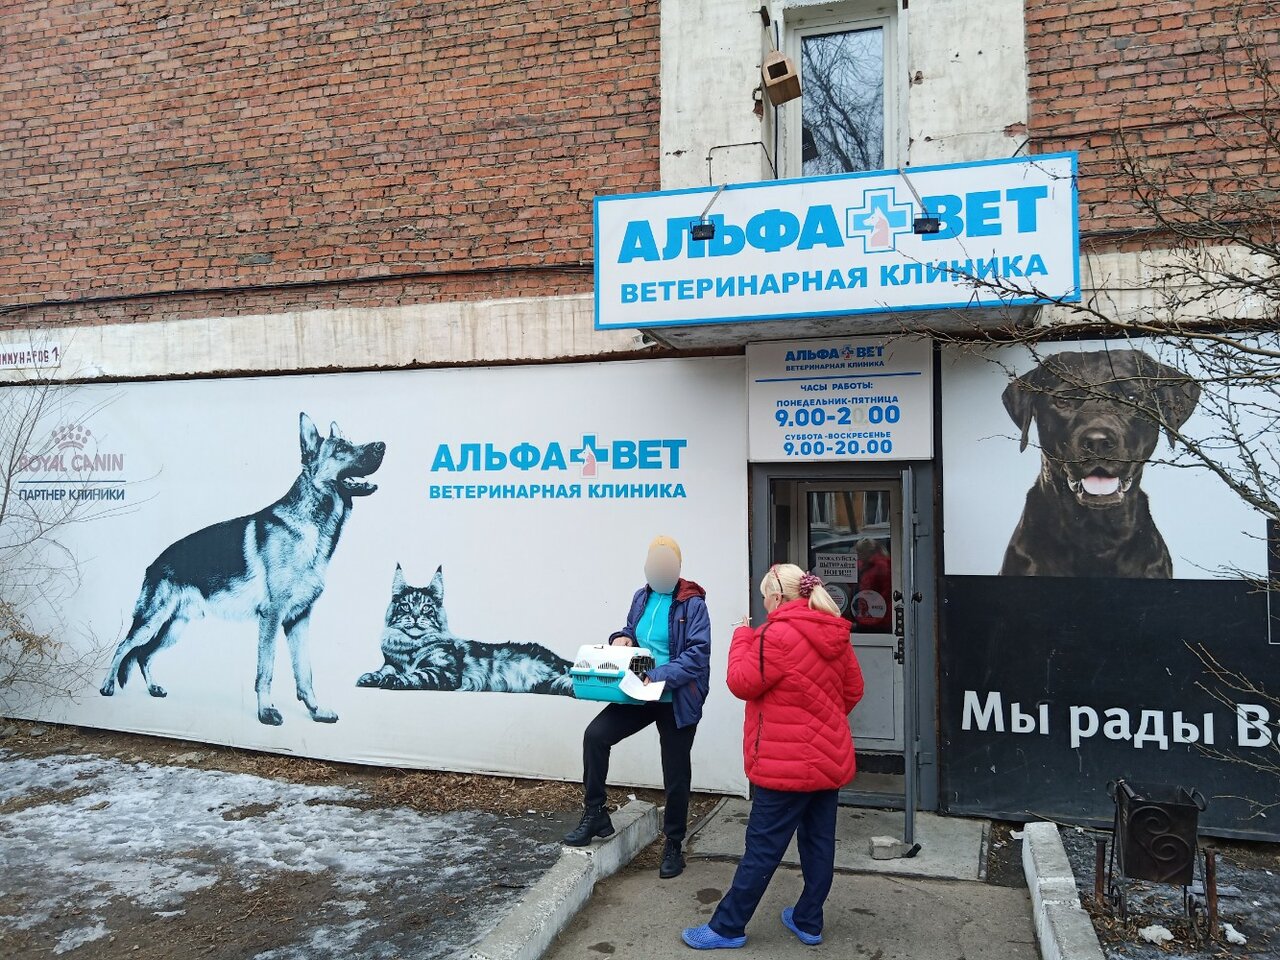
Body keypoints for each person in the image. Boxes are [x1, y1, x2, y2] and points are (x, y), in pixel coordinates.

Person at [682, 563, 863, 950]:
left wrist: (741, 636)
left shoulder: (773, 635)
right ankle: (808, 920)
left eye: (765, 596)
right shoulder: (835, 631)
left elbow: (740, 683)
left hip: (785, 766)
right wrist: (820, 724)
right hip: (827, 762)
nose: (764, 603)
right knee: (819, 845)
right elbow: (853, 692)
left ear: (778, 597)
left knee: (762, 850)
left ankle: (727, 927)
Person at [563, 535, 711, 881]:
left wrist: (657, 675)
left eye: (666, 564)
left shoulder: (693, 604)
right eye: (654, 564)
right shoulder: (641, 596)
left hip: (675, 698)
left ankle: (674, 843)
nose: (659, 570)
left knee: (675, 774)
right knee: (595, 736)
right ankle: (596, 813)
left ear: (677, 567)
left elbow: (697, 656)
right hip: (640, 692)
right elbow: (632, 630)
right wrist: (621, 638)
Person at [853, 538, 892, 633]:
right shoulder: (864, 564)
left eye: (859, 553)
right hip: (866, 612)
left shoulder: (881, 566)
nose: (858, 556)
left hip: (877, 616)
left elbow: (887, 591)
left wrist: (874, 607)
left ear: (868, 552)